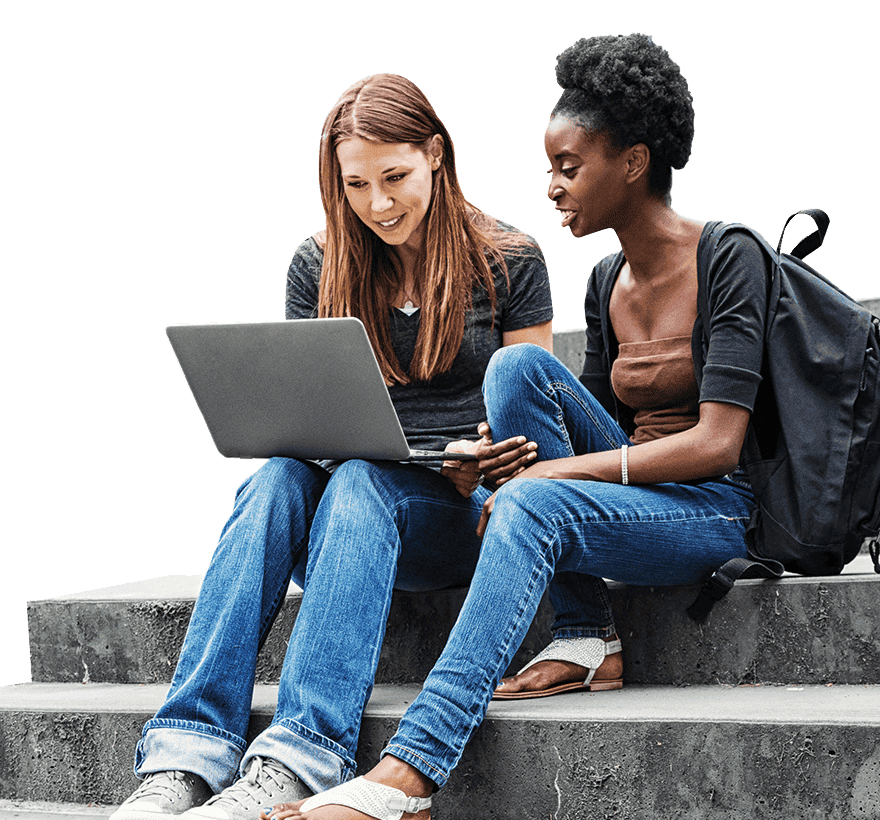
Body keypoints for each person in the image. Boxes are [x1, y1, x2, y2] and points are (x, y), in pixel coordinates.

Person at [261, 31, 765, 820]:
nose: (553, 188)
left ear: (631, 162)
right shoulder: (607, 278)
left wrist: (545, 476)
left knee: (529, 488)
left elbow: (718, 444)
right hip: (632, 490)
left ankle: (412, 771)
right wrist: (530, 465)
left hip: (718, 505)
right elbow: (580, 423)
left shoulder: (734, 256)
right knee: (519, 370)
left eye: (568, 168)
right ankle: (586, 631)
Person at [109, 73, 552, 820]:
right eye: (356, 184)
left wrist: (481, 455)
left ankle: (300, 757)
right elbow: (305, 420)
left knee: (359, 484)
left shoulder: (511, 259)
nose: (378, 204)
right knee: (279, 476)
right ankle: (184, 758)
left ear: (437, 155)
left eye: (395, 177)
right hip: (350, 522)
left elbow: (534, 425)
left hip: (460, 515)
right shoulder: (317, 264)